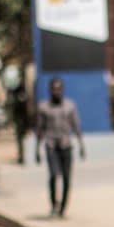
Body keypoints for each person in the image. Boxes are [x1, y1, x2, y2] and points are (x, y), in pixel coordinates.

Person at [35, 78, 85, 217]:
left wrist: (81, 145)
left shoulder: (70, 106)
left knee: (67, 178)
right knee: (53, 175)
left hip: (66, 145)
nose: (56, 92)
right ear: (50, 90)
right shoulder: (43, 107)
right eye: (54, 89)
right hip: (51, 145)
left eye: (59, 89)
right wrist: (36, 149)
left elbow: (76, 125)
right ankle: (53, 204)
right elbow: (39, 128)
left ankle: (63, 207)